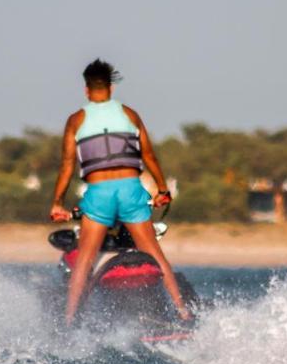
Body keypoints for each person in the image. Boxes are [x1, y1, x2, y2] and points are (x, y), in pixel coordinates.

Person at [50, 59, 191, 327]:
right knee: (156, 255)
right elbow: (148, 155)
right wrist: (162, 190)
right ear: (111, 88)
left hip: (99, 194)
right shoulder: (129, 114)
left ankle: (70, 324)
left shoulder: (76, 120)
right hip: (130, 191)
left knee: (84, 261)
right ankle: (183, 315)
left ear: (86, 90)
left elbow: (67, 165)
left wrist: (57, 202)